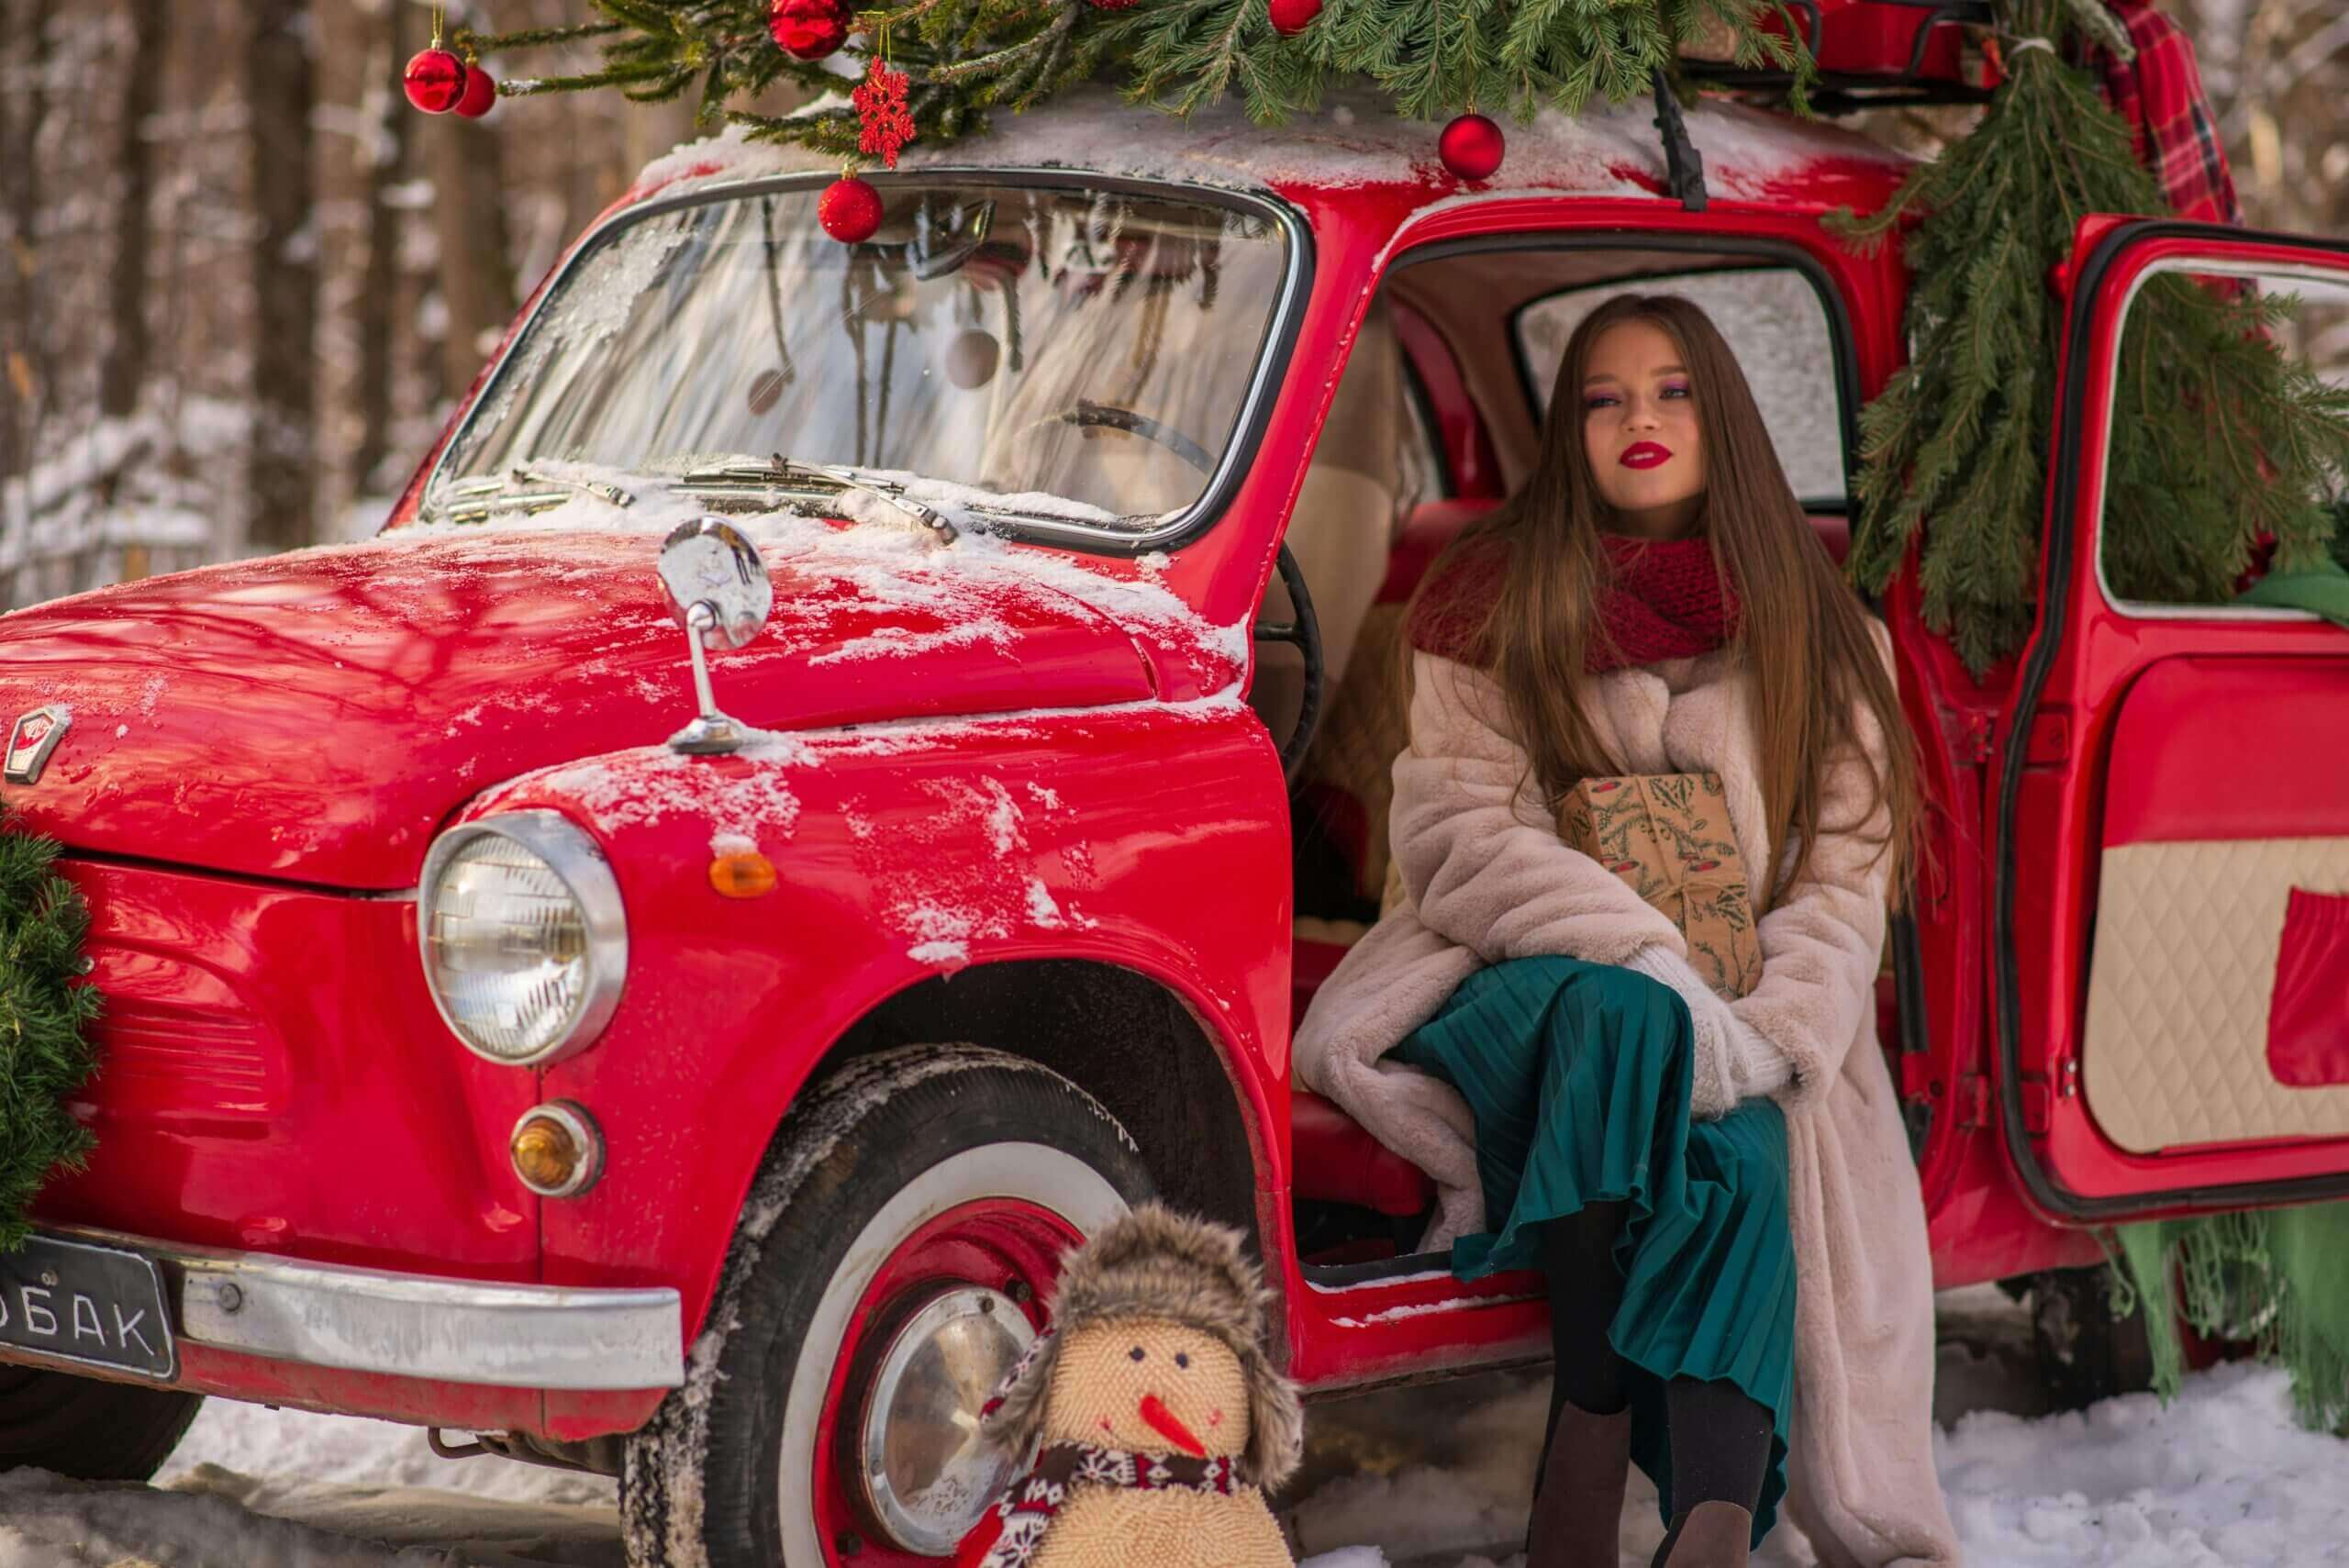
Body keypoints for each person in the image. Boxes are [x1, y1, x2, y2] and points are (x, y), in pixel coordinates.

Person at [1292, 294, 1961, 1568]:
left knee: (1746, 1137)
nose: (1638, 418)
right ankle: (1593, 1431)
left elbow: (1839, 878)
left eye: (1672, 391)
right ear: (1572, 427)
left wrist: (1769, 1035)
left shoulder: (1820, 632)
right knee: (1626, 1008)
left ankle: (1702, 1523)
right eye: (1604, 398)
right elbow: (1460, 842)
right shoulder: (1490, 598)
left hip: (1748, 1011)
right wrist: (1642, 949)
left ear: (1724, 419)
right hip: (1506, 995)